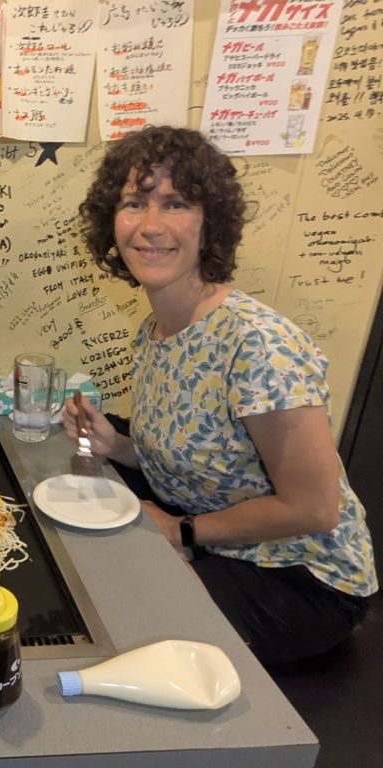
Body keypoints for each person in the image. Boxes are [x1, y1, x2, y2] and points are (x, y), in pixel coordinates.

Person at [66, 125, 377, 665]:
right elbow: (192, 458)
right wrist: (116, 445)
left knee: (119, 624)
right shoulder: (155, 331)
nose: (150, 225)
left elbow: (314, 508)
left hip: (300, 579)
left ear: (210, 224)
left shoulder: (259, 345)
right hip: (212, 535)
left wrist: (181, 532)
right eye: (134, 202)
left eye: (176, 203)